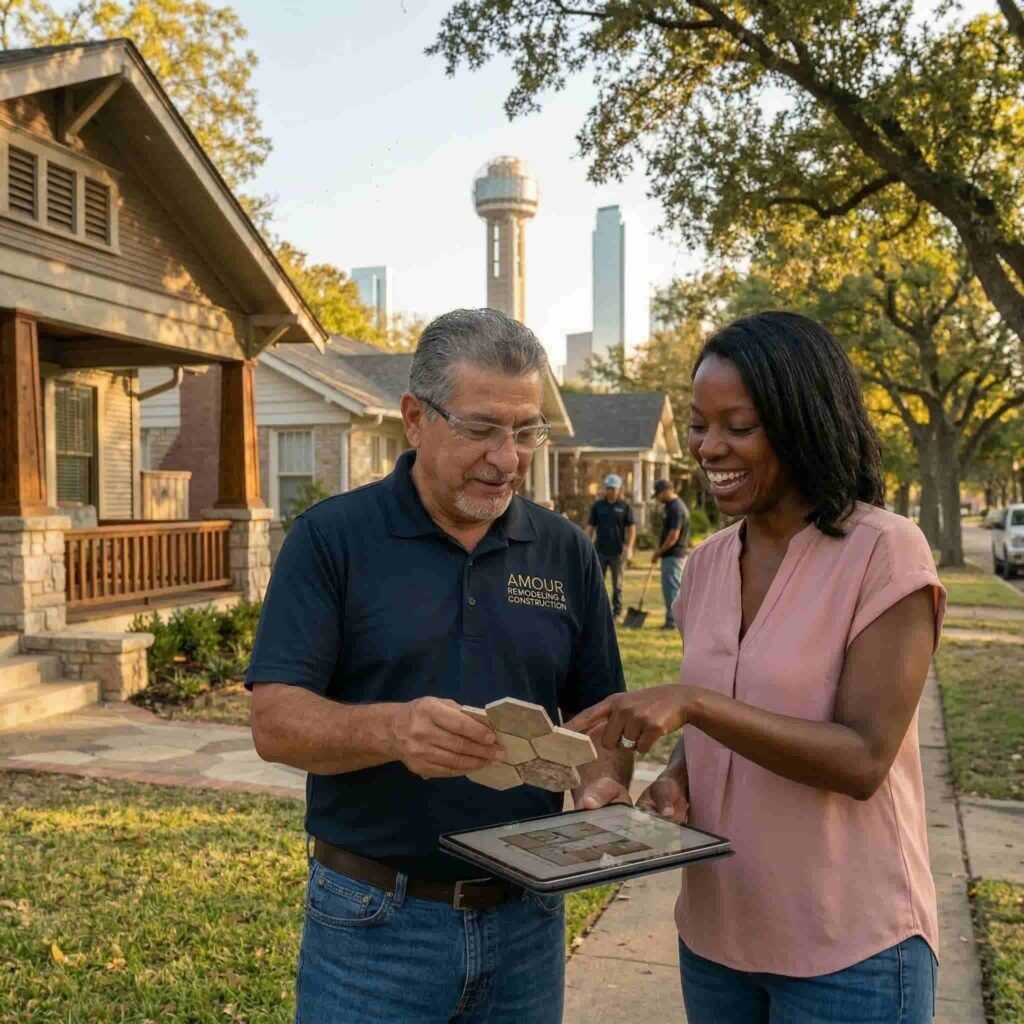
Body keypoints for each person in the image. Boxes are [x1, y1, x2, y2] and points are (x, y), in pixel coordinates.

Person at [247, 308, 631, 1024]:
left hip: (528, 924)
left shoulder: (564, 550)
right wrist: (393, 731)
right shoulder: (333, 538)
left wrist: (602, 784)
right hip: (372, 923)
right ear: (415, 417)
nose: (507, 457)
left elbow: (600, 723)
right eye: (482, 428)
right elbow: (274, 723)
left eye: (525, 431)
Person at [570, 312, 944, 1023]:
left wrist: (695, 705)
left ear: (800, 420)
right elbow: (722, 713)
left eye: (737, 426)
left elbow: (863, 758)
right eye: (698, 424)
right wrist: (679, 779)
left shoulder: (885, 553)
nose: (710, 447)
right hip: (716, 938)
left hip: (849, 949)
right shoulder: (709, 564)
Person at [586, 473, 636, 619]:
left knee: (617, 585)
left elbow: (632, 528)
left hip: (617, 552)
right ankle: (597, 612)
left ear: (619, 489)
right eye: (608, 488)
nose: (610, 491)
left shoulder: (625, 506)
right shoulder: (598, 506)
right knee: (597, 584)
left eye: (613, 488)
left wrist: (630, 547)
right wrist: (586, 546)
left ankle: (617, 613)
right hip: (599, 550)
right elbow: (590, 527)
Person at [651, 479, 688, 629]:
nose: (658, 498)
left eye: (659, 494)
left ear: (666, 490)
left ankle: (673, 622)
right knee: (670, 588)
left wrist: (658, 552)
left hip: (674, 555)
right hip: (670, 555)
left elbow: (674, 536)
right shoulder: (670, 507)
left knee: (672, 589)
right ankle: (672, 619)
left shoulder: (676, 509)